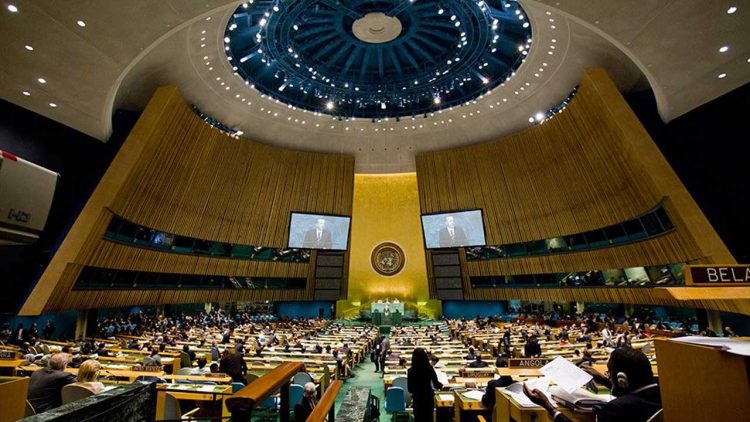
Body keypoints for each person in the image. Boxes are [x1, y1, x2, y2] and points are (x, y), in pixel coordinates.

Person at [524, 348, 661, 422]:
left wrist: (550, 408)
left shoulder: (615, 409)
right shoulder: (667, 396)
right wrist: (605, 380)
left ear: (621, 379)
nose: (608, 375)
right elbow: (634, 393)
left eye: (609, 372)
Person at [407, 348, 443, 421]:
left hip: (417, 399)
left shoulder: (410, 371)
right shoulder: (430, 368)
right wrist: (442, 385)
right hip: (428, 398)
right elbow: (436, 384)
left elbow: (410, 389)